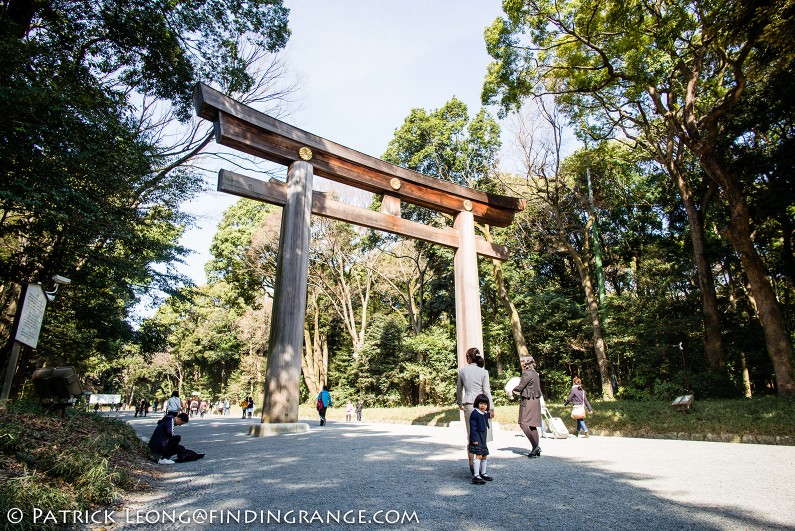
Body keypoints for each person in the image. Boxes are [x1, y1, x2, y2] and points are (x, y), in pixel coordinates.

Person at [456, 347, 493, 476]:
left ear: (468, 358)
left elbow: (459, 389)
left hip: (469, 403)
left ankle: (472, 463)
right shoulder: (484, 372)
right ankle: (481, 464)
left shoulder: (463, 371)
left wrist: (460, 402)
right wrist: (491, 407)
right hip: (482, 404)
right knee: (482, 433)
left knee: (471, 433)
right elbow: (487, 391)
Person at [512, 355, 543, 457]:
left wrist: (511, 389)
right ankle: (536, 449)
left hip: (528, 401)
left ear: (525, 363)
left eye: (522, 362)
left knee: (523, 424)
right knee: (532, 425)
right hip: (536, 400)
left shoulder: (526, 374)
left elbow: (520, 388)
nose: (521, 364)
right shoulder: (535, 373)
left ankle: (535, 447)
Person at [468, 394, 492, 484]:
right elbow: (473, 428)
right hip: (477, 437)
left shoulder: (484, 413)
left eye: (485, 404)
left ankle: (483, 473)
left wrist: (490, 414)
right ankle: (476, 475)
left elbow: (487, 415)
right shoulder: (475, 413)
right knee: (478, 455)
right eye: (481, 403)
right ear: (477, 403)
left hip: (483, 437)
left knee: (484, 455)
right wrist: (474, 439)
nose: (483, 406)